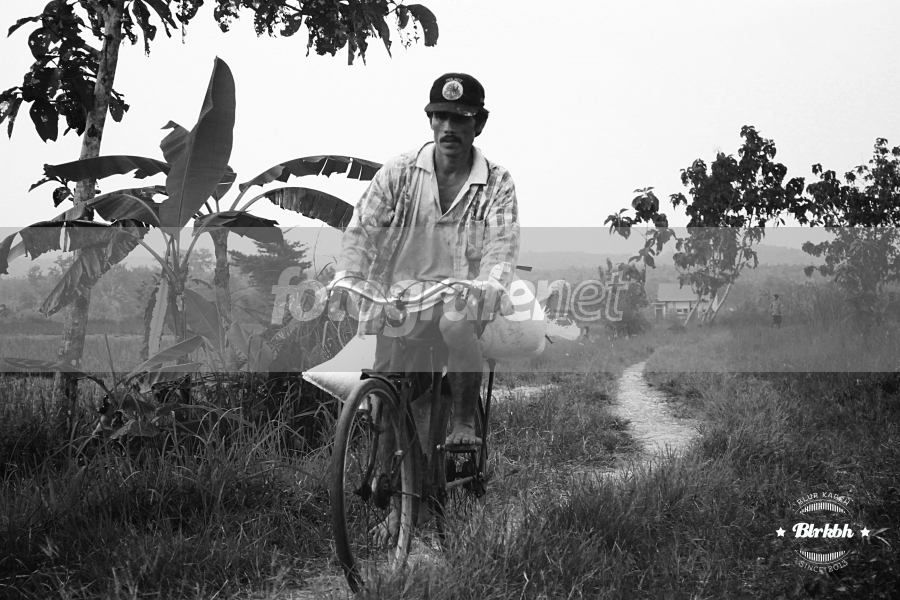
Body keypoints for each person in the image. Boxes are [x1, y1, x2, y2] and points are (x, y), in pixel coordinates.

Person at [333, 72, 519, 451]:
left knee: (455, 322)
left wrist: (489, 284)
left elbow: (502, 245)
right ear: (431, 120)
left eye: (461, 118)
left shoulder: (497, 182)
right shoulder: (399, 172)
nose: (449, 127)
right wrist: (349, 273)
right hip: (399, 299)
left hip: (460, 294)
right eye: (441, 116)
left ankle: (464, 421)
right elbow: (363, 228)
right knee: (387, 397)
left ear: (479, 124)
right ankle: (387, 479)